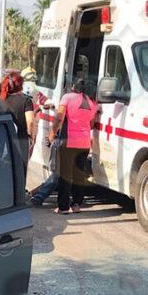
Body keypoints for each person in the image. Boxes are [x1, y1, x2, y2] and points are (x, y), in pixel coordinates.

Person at [49, 79, 98, 214]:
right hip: (84, 142)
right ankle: (77, 204)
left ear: (73, 86)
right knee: (78, 174)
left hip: (69, 141)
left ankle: (63, 207)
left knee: (65, 174)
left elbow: (59, 118)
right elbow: (91, 124)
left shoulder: (67, 97)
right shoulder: (92, 102)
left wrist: (52, 134)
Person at [0, 71, 35, 164]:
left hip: (3, 140)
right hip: (21, 140)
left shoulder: (0, 100)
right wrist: (31, 137)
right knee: (20, 168)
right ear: (20, 85)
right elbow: (30, 121)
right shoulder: (26, 100)